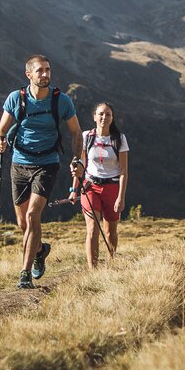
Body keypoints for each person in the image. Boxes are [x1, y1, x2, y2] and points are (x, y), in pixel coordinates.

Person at [0, 55, 83, 289]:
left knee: (34, 216)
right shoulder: (16, 98)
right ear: (29, 75)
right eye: (40, 71)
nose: (45, 74)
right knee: (23, 222)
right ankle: (41, 250)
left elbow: (76, 132)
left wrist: (76, 158)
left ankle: (24, 273)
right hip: (19, 163)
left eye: (48, 70)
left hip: (48, 162)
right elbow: (0, 130)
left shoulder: (61, 101)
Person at [71, 101, 129, 269]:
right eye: (101, 114)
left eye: (108, 114)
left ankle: (111, 265)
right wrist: (74, 190)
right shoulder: (86, 136)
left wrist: (121, 197)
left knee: (110, 232)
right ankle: (93, 270)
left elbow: (124, 170)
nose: (104, 117)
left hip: (112, 187)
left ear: (112, 118)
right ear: (94, 116)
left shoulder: (119, 139)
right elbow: (79, 165)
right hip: (90, 187)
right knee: (92, 229)